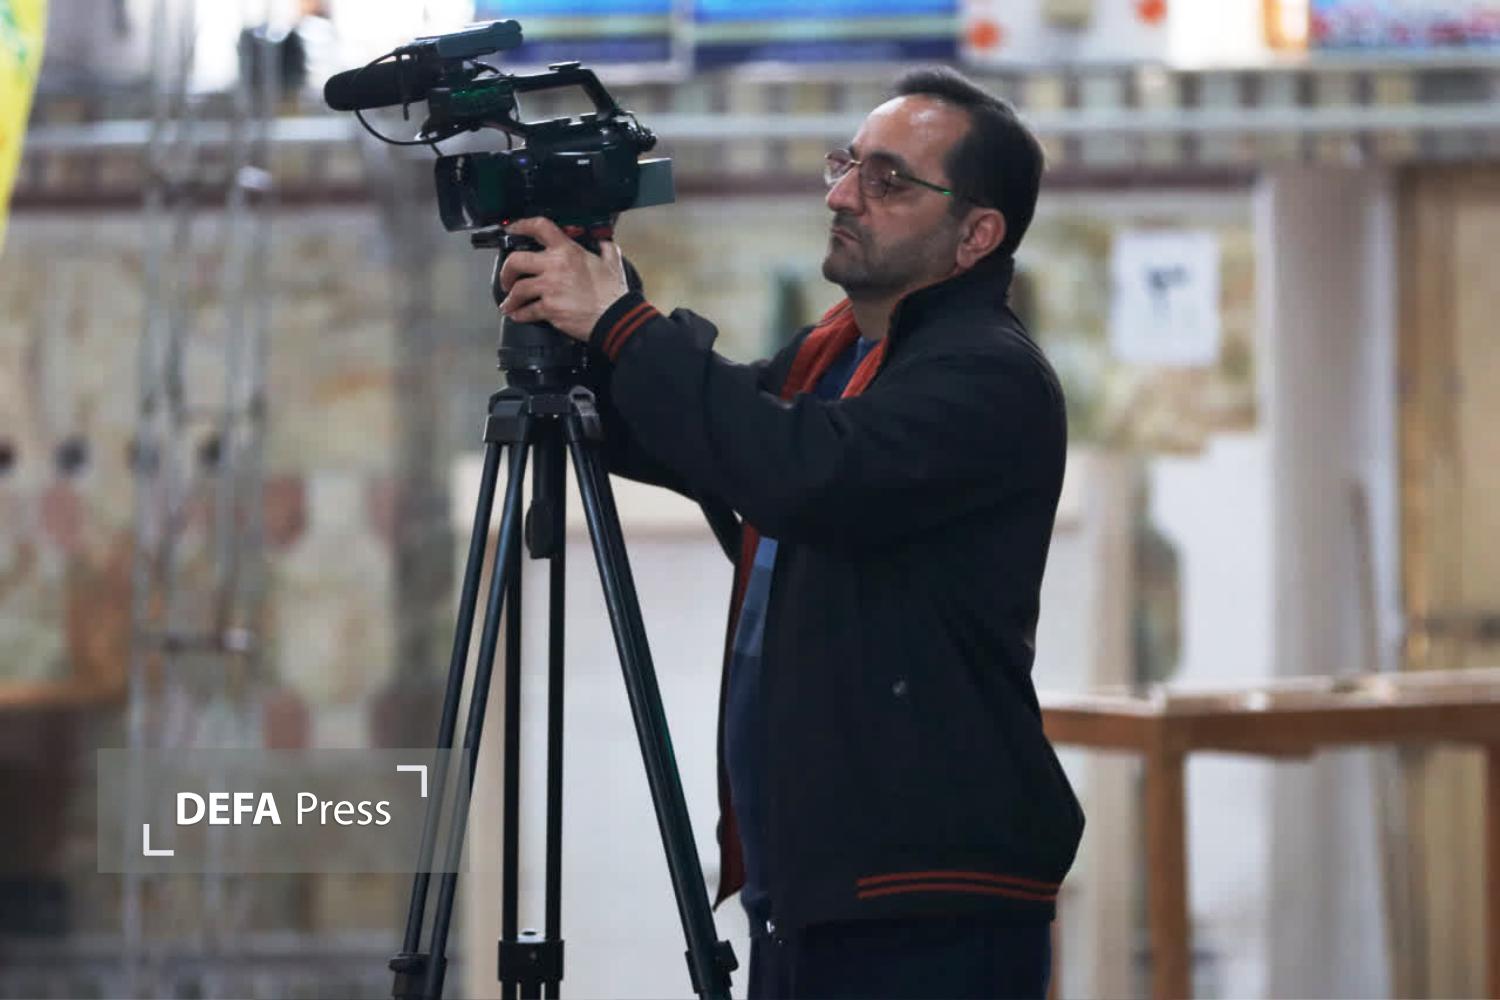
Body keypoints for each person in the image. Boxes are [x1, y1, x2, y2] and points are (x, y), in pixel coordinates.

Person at [497, 66, 1083, 1000]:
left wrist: (622, 321)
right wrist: (583, 322)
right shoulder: (837, 355)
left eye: (888, 181)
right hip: (821, 890)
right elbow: (705, 434)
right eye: (847, 164)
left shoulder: (988, 376)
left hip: (926, 902)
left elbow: (800, 470)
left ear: (977, 234)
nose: (843, 196)